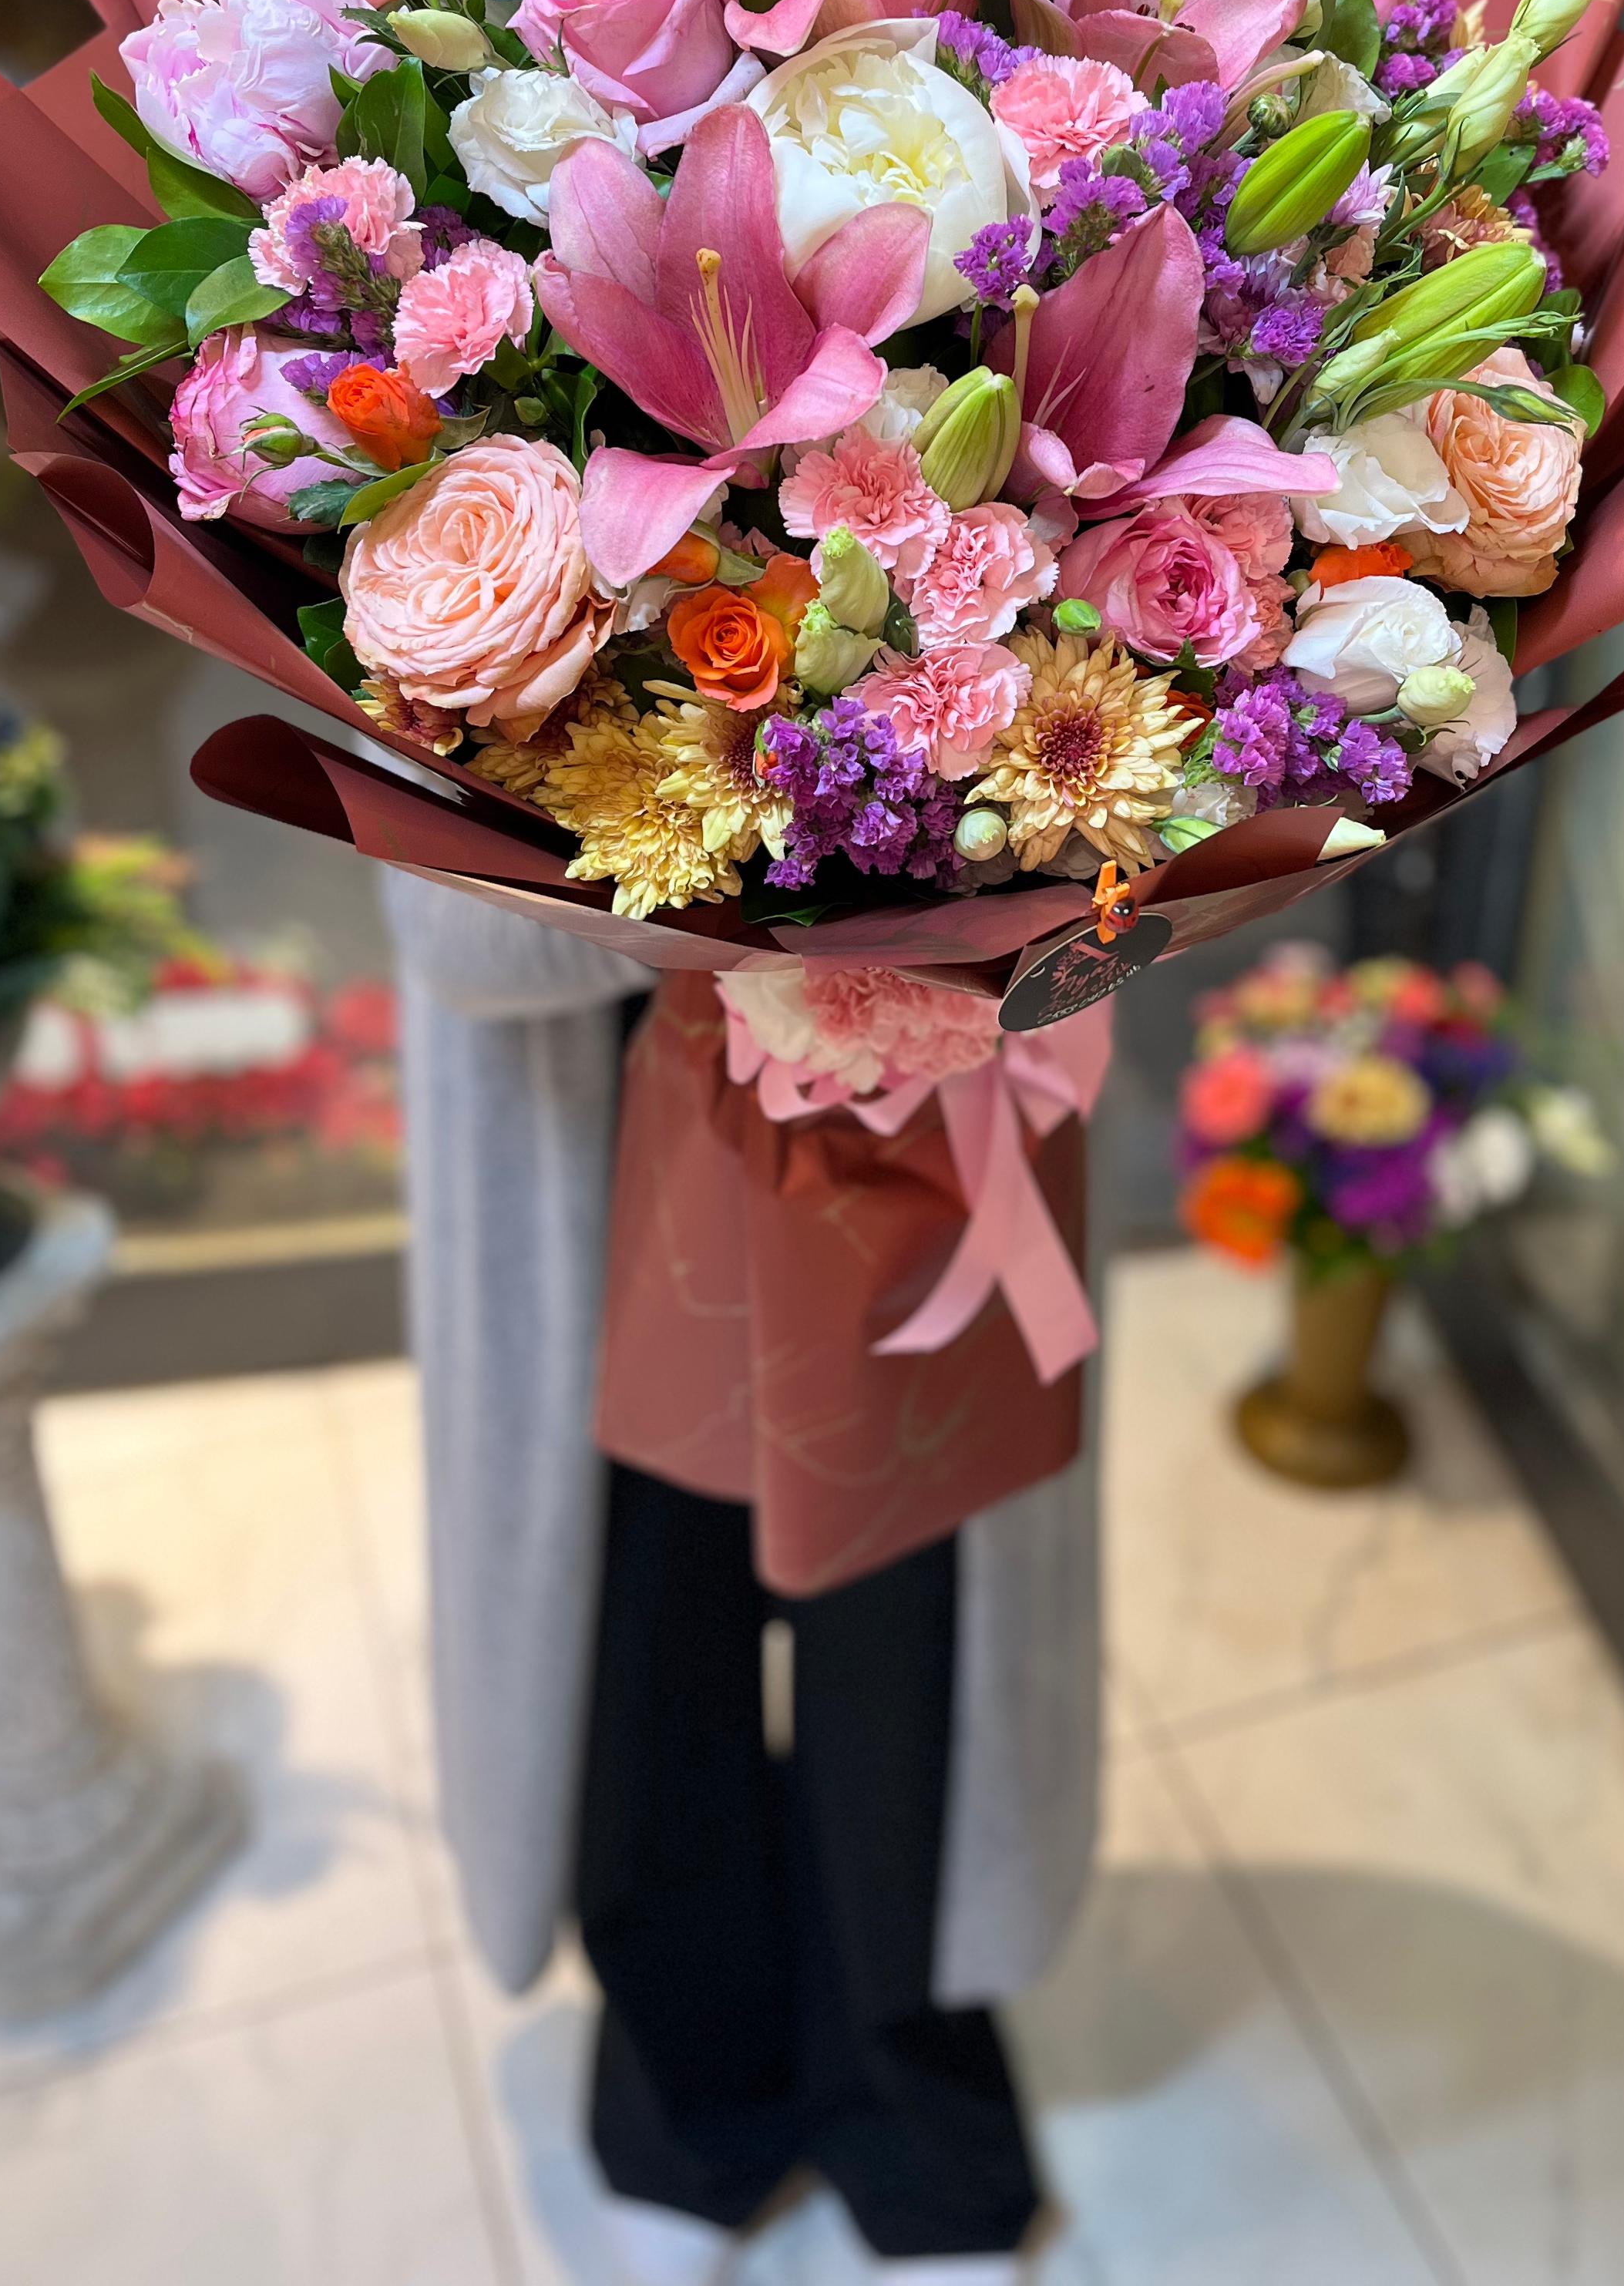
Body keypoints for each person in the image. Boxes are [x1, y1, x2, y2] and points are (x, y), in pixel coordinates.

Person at [385, 877, 1104, 2281]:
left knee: (919, 1639)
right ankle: (684, 2095)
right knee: (638, 1630)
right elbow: (453, 916)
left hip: (943, 1050)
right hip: (593, 1093)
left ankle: (917, 2103)